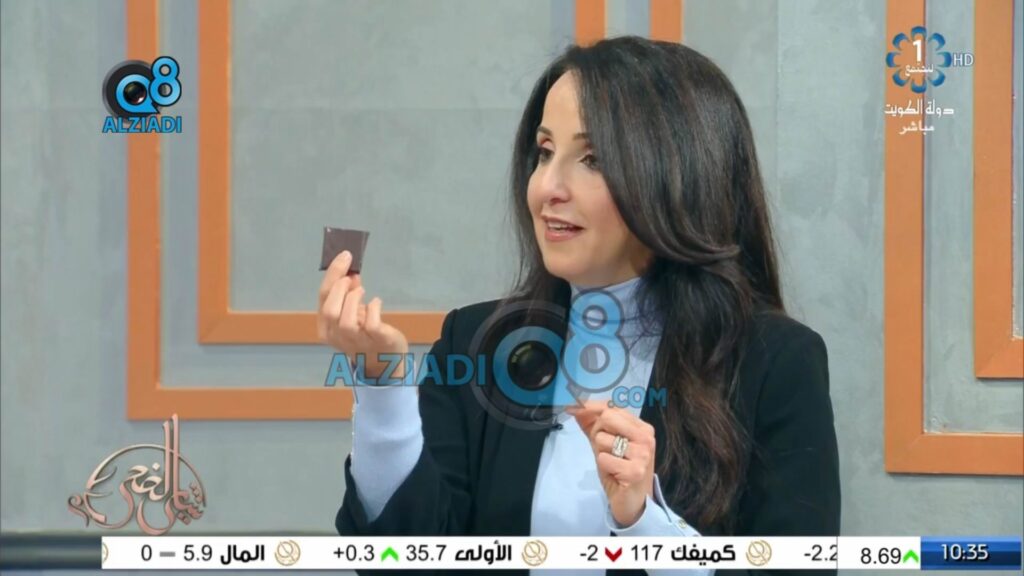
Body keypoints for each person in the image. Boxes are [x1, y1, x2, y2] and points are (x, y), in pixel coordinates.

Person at [320, 36, 840, 576]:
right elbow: (403, 560)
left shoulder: (776, 362)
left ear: (677, 177)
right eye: (545, 152)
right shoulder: (476, 342)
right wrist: (381, 387)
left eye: (592, 159)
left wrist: (645, 524)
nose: (547, 187)